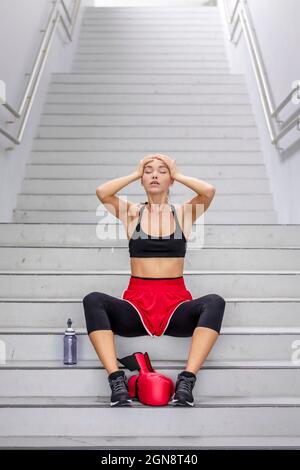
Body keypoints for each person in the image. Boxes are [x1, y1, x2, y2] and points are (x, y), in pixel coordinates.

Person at [83, 154, 226, 407]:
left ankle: (187, 381)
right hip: (137, 307)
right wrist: (135, 172)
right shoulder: (131, 213)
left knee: (215, 301)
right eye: (149, 171)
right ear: (142, 179)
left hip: (175, 307)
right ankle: (116, 380)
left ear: (170, 179)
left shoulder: (183, 213)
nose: (155, 175)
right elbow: (102, 193)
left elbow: (209, 192)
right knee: (93, 300)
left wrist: (177, 173)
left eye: (162, 171)